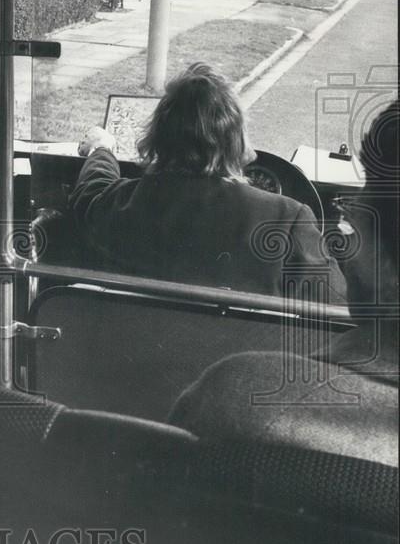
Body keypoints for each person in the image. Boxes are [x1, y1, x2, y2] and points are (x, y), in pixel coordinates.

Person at [169, 101, 398, 466]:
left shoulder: (237, 396)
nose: (348, 223)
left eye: (360, 206)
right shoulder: (289, 214)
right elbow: (330, 299)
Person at [68, 62, 346, 301]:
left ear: (159, 138)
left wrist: (102, 148)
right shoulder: (288, 218)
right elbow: (337, 308)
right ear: (236, 140)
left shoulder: (121, 205)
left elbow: (92, 189)